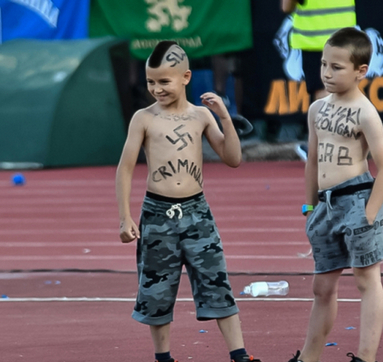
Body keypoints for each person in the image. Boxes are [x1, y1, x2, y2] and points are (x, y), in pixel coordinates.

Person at [115, 40, 261, 362]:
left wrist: (223, 115)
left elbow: (233, 158)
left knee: (216, 282)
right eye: (151, 81)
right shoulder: (143, 118)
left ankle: (240, 356)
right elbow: (125, 169)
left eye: (164, 81)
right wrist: (126, 217)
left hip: (197, 213)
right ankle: (164, 357)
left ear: (186, 78)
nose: (156, 88)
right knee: (156, 292)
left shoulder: (201, 116)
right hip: (157, 216)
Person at [289, 28, 383, 362]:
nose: (326, 72)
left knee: (366, 280)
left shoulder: (365, 112)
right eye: (323, 64)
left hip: (358, 199)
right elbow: (313, 162)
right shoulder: (317, 109)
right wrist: (310, 206)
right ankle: (309, 357)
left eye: (336, 67)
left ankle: (366, 357)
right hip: (326, 205)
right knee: (322, 287)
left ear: (360, 71)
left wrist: (370, 211)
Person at [281, 0, 357, 161]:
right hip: (346, 35)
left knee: (324, 92)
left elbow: (286, 6)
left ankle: (327, 148)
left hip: (316, 38)